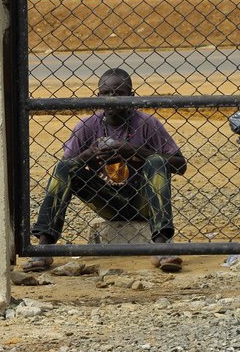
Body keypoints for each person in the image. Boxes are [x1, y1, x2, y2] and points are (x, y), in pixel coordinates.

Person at [25, 68, 187, 273]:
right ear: (98, 96)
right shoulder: (88, 125)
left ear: (131, 96)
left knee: (156, 160)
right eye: (106, 93)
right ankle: (44, 245)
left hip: (143, 199)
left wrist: (133, 152)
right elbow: (65, 168)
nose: (112, 98)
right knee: (64, 167)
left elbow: (180, 165)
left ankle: (162, 245)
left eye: (118, 93)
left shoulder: (147, 124)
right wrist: (90, 154)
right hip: (107, 198)